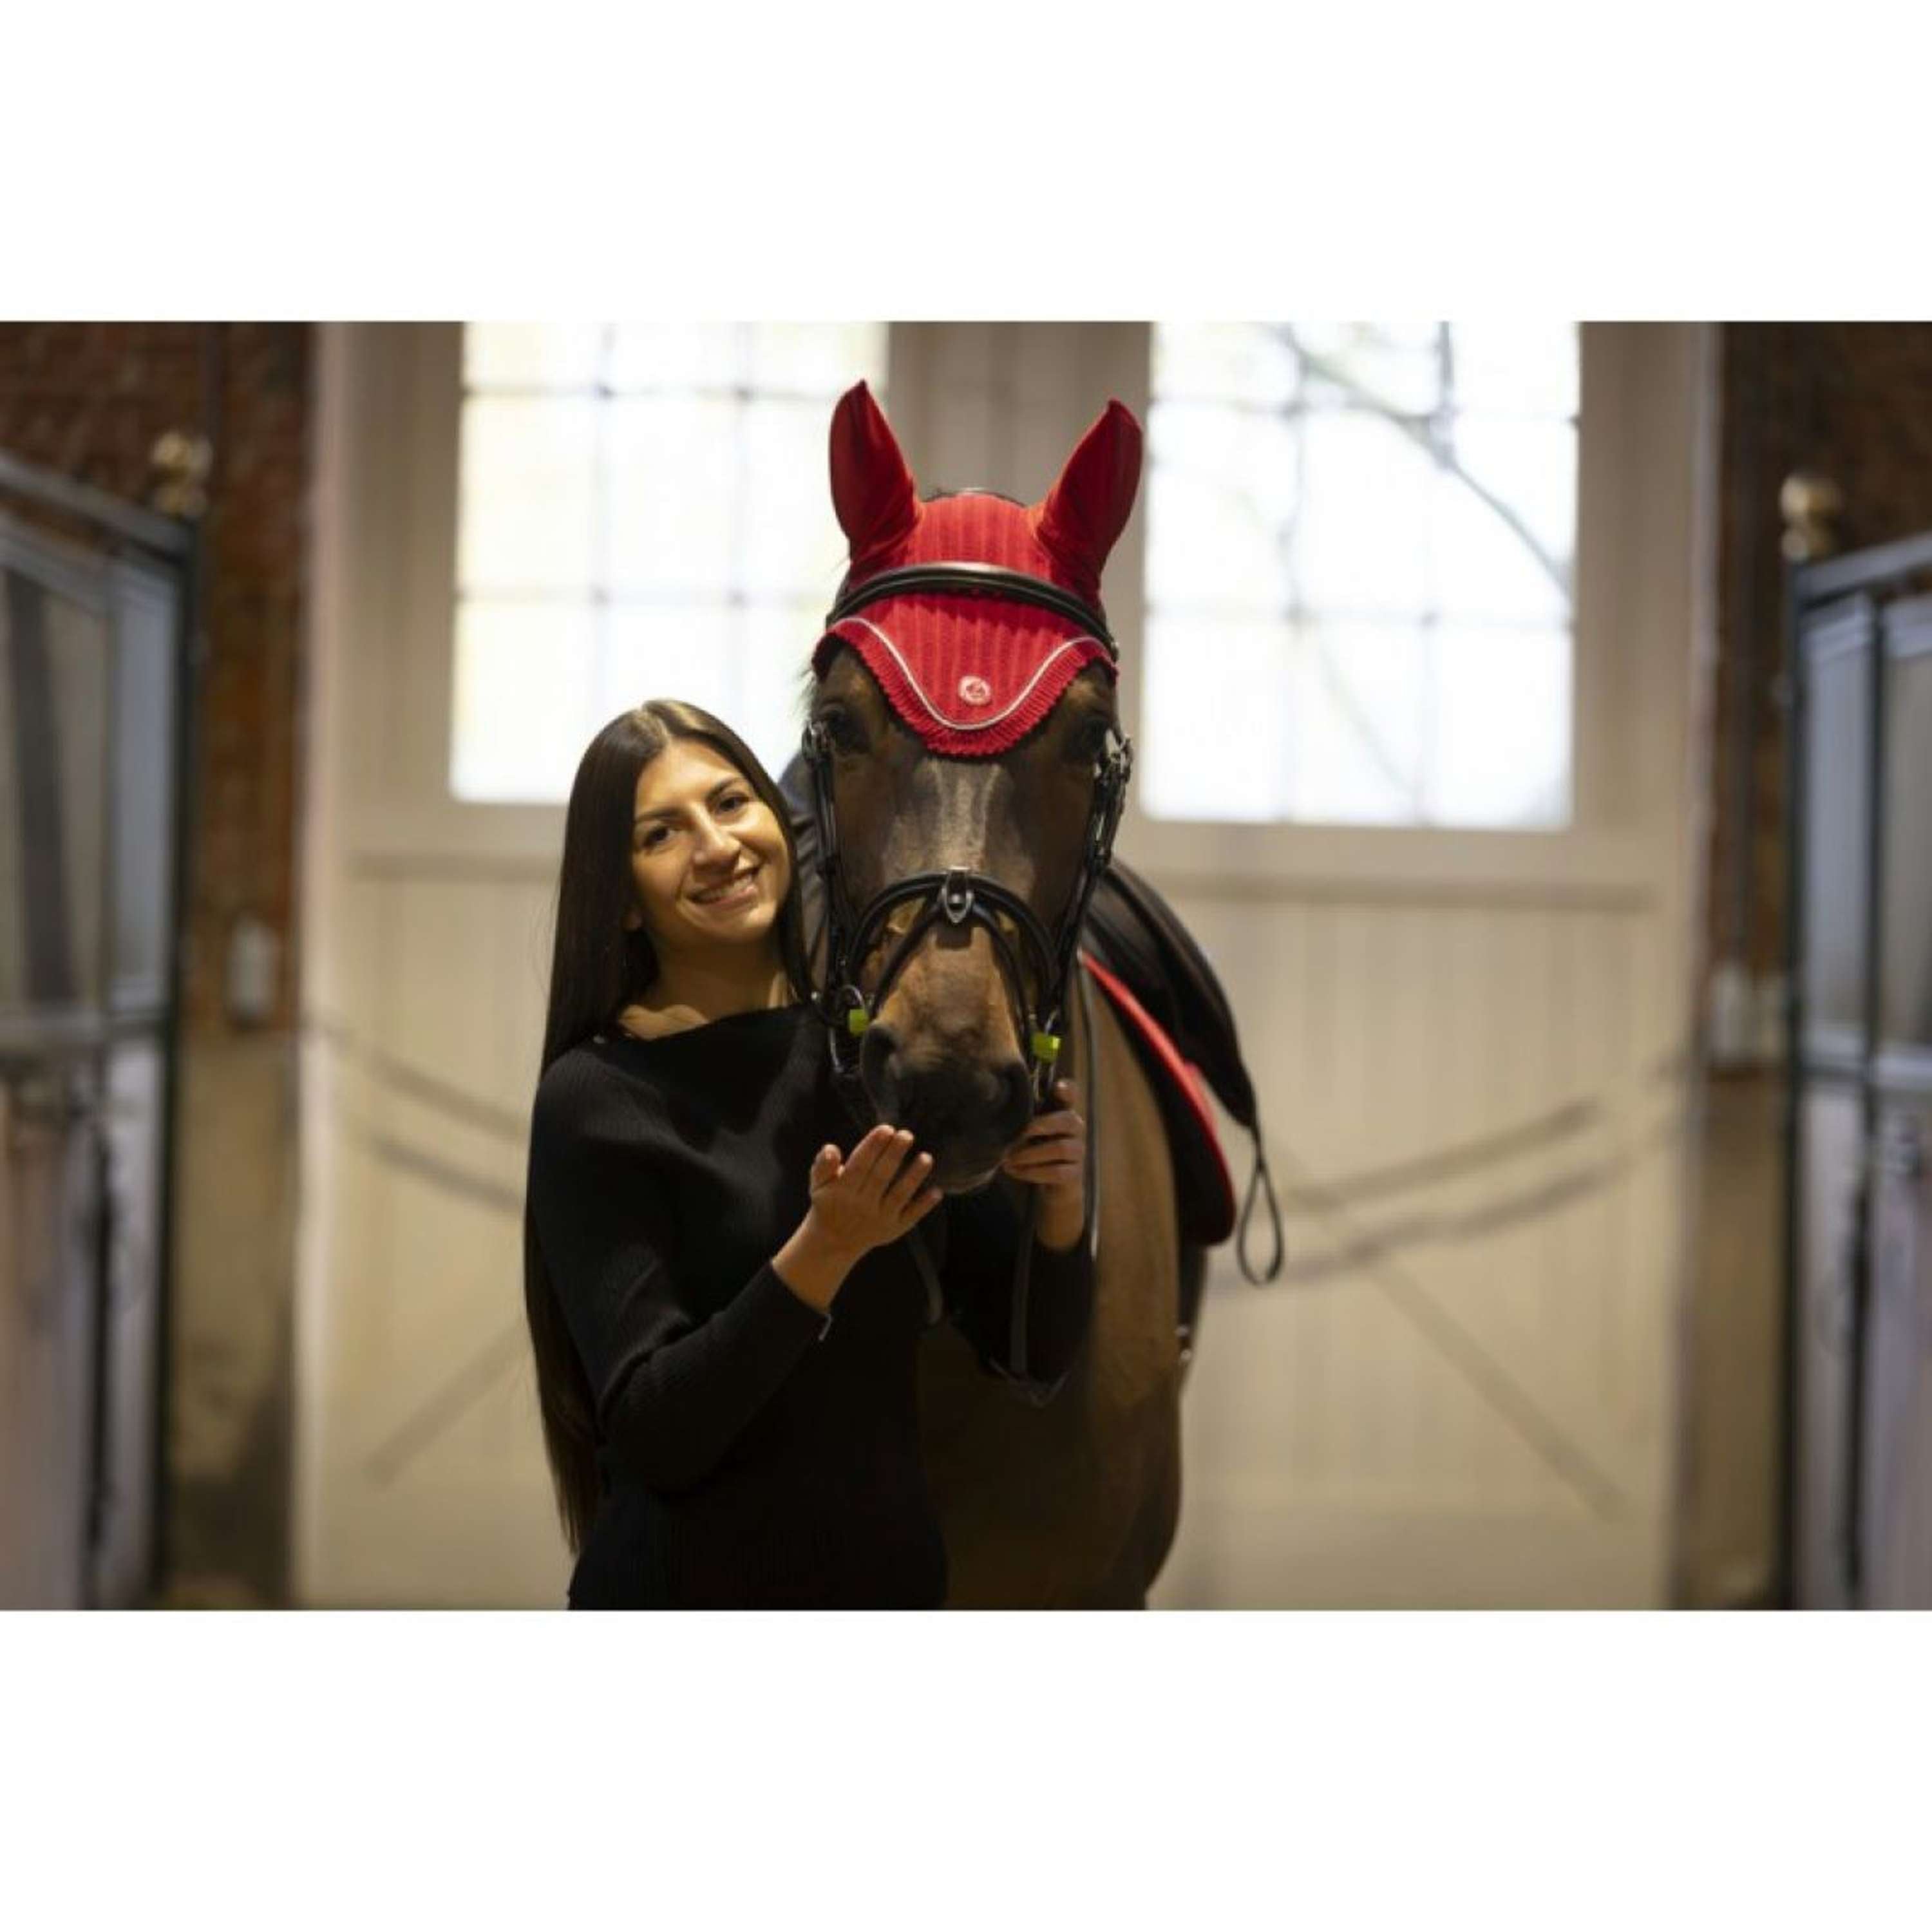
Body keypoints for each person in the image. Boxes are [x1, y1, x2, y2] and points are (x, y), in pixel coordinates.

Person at [522, 699, 1094, 1609]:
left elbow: (1032, 1351)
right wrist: (827, 1248)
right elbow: (656, 1435)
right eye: (662, 834)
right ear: (621, 900)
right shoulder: (596, 1098)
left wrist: (1059, 1203)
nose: (717, 846)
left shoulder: (868, 1064)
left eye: (730, 803)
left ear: (783, 824)